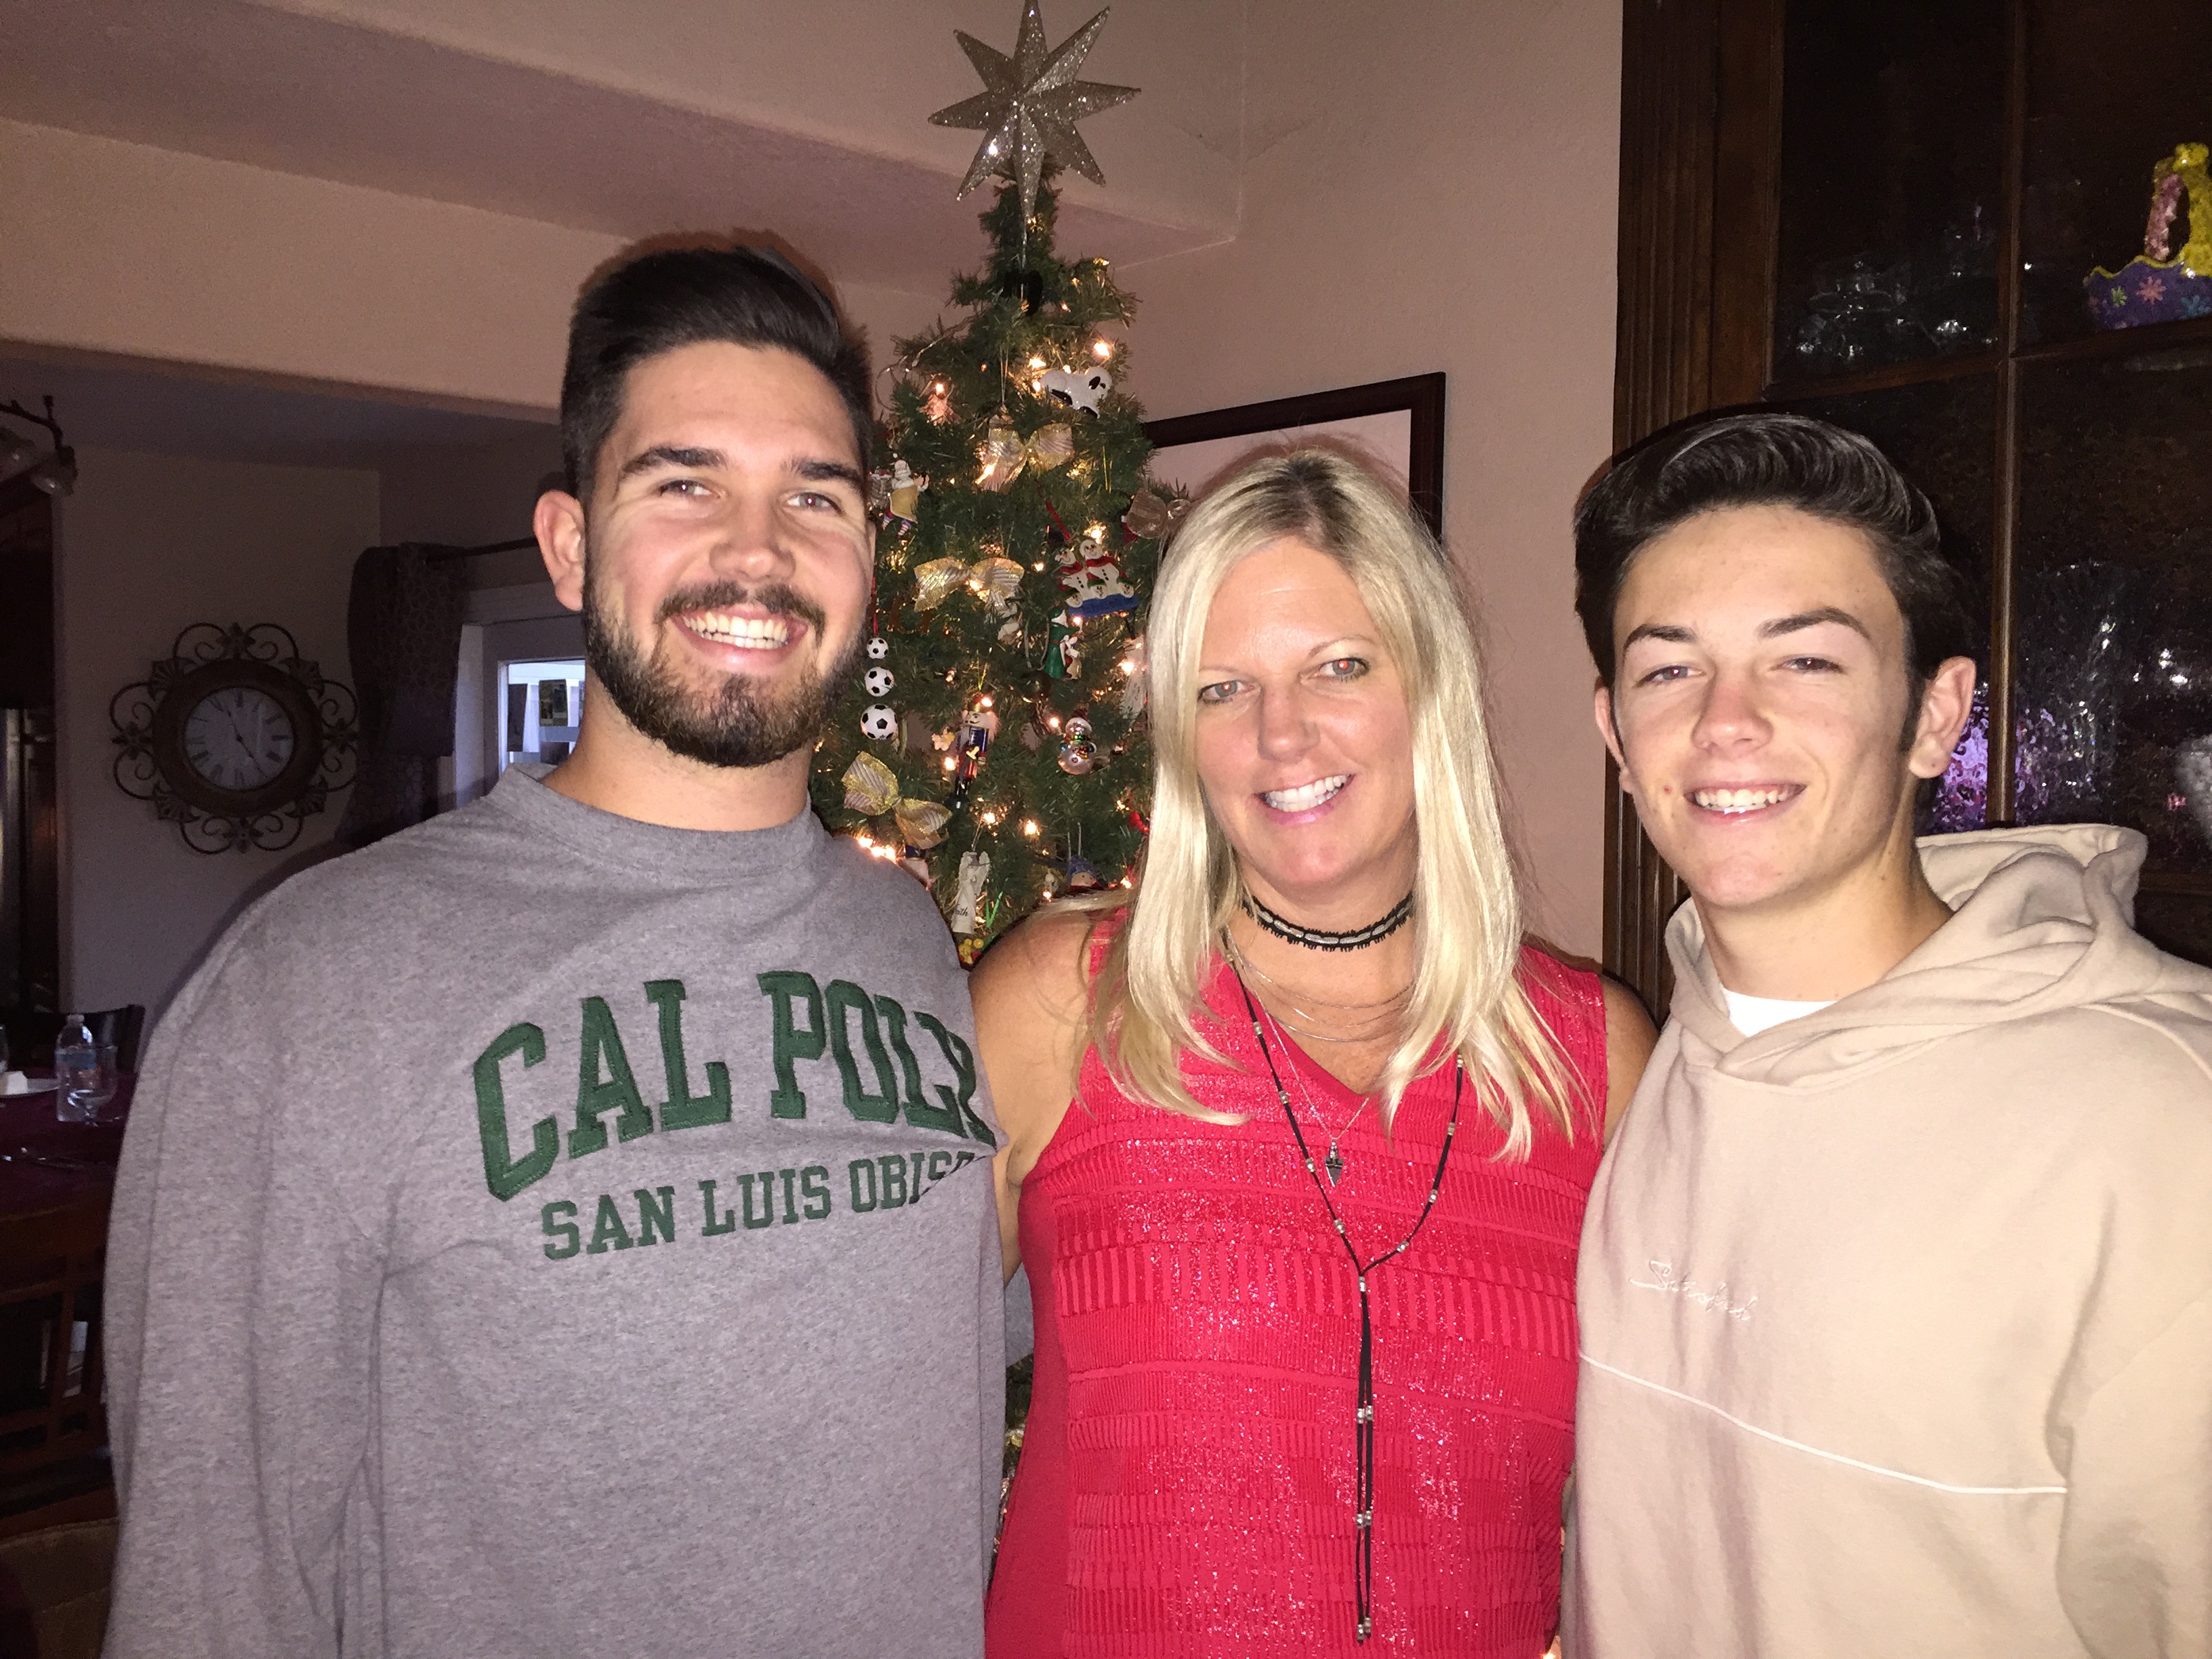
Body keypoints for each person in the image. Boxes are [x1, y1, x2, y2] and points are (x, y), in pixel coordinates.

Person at [102, 244, 1004, 1658]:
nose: (758, 552)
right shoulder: (316, 985)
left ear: (869, 556)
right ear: (572, 546)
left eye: (814, 497)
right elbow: (211, 1588)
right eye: (684, 483)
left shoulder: (904, 934)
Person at [977, 448, 1655, 1656]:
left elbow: (1665, 1497)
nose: (1281, 735)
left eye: (1339, 667)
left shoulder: (1593, 1058)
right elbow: (875, 1409)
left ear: (1430, 688)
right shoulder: (1063, 1006)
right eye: (1222, 688)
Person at [1565, 411, 2212, 1657]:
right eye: (1669, 671)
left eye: (1805, 661)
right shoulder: (1661, 1067)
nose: (1726, 720)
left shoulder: (2165, 1129)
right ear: (1617, 739)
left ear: (1934, 715)